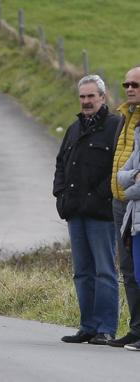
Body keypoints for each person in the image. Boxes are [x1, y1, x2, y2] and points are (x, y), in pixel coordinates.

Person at [53, 74, 120, 345]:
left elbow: (117, 167)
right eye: (82, 97)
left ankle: (106, 328)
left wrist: (100, 196)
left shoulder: (115, 126)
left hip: (101, 214)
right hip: (75, 213)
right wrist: (60, 195)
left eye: (92, 96)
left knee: (105, 270)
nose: (86, 101)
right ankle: (88, 326)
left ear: (103, 98)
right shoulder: (73, 129)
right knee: (82, 271)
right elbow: (60, 164)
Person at [109, 67, 140, 349]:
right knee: (128, 269)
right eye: (126, 84)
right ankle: (136, 328)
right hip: (121, 204)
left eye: (135, 84)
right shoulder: (125, 115)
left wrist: (128, 186)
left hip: (136, 202)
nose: (130, 89)